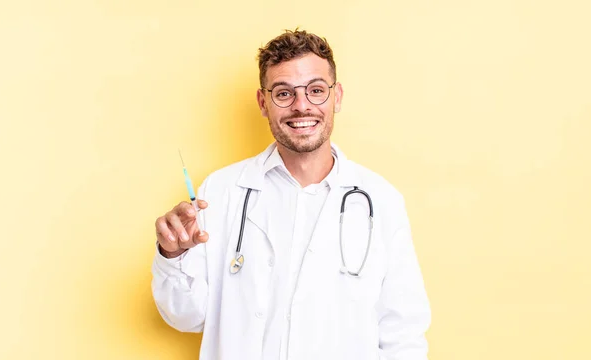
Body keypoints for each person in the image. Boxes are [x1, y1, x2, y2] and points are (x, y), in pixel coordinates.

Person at [151, 29, 431, 360]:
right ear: (263, 102)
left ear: (337, 96)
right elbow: (187, 317)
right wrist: (173, 256)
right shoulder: (221, 191)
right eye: (284, 93)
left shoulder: (380, 200)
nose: (302, 106)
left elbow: (403, 334)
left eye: (316, 90)